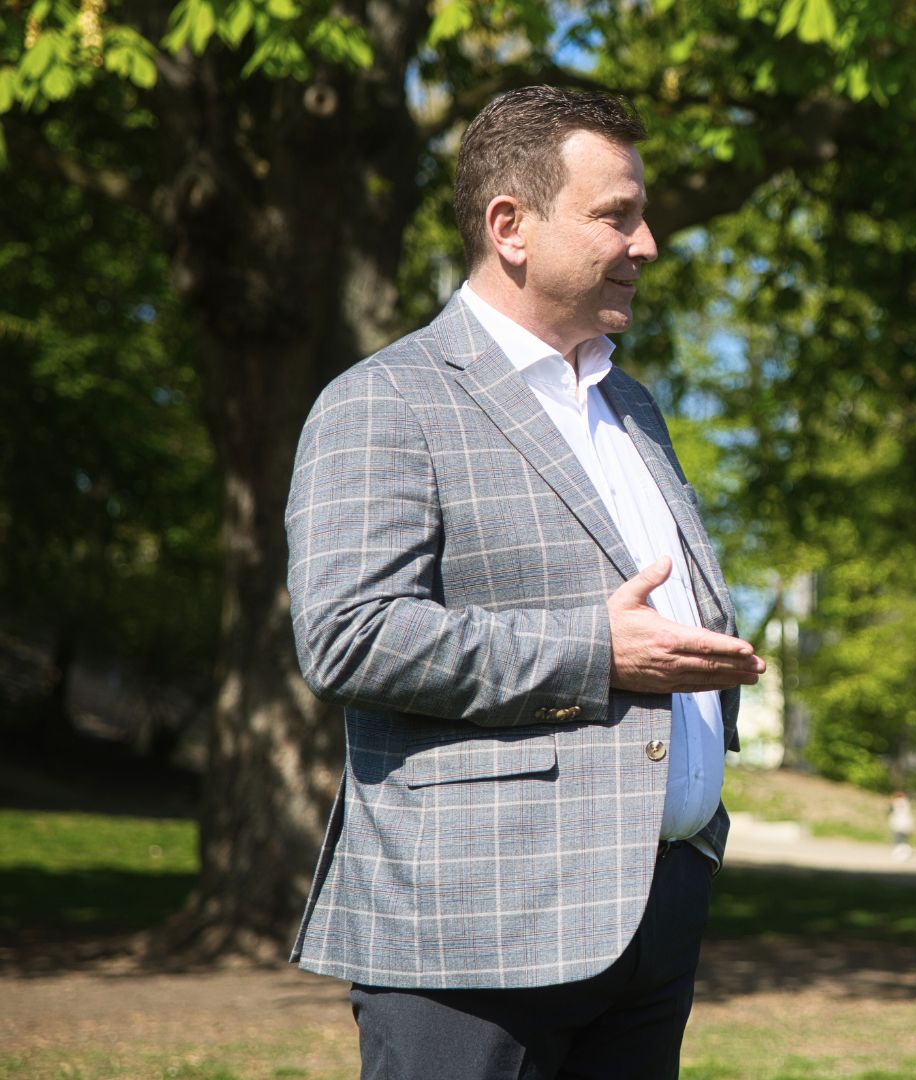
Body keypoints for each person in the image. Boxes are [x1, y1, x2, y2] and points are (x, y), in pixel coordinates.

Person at [285, 86, 765, 1080]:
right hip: (478, 926)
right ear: (511, 225)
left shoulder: (629, 404)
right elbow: (347, 633)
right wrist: (599, 650)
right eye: (617, 215)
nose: (649, 244)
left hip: (652, 909)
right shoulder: (384, 400)